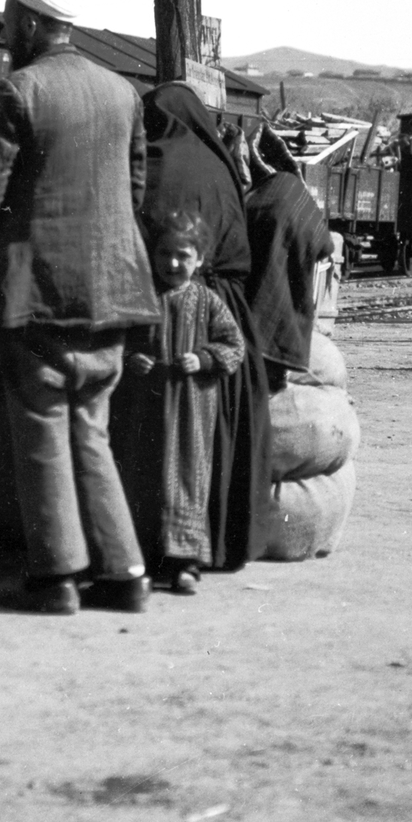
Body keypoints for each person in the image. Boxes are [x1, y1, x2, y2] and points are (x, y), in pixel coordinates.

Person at [0, 0, 160, 615]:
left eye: (12, 20)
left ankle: (55, 579)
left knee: (43, 428)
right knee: (90, 432)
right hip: (115, 292)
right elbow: (133, 194)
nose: (7, 30)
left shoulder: (22, 91)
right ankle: (127, 574)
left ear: (35, 22)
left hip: (42, 293)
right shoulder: (122, 94)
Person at [138, 82, 272, 573]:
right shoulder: (219, 166)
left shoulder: (151, 163)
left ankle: (163, 547)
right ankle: (214, 543)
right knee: (213, 439)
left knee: (163, 440)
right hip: (224, 308)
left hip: (170, 306)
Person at [116, 212, 246, 594]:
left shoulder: (208, 302)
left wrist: (204, 359)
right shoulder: (141, 298)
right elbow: (118, 341)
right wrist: (131, 358)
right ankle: (144, 558)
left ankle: (185, 564)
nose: (172, 264)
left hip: (191, 413)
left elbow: (233, 346)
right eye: (164, 254)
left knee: (186, 479)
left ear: (200, 259)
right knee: (143, 477)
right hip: (146, 409)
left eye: (183, 255)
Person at [245, 125, 333, 392]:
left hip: (258, 294)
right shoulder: (300, 196)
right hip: (293, 295)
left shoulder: (255, 198)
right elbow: (326, 245)